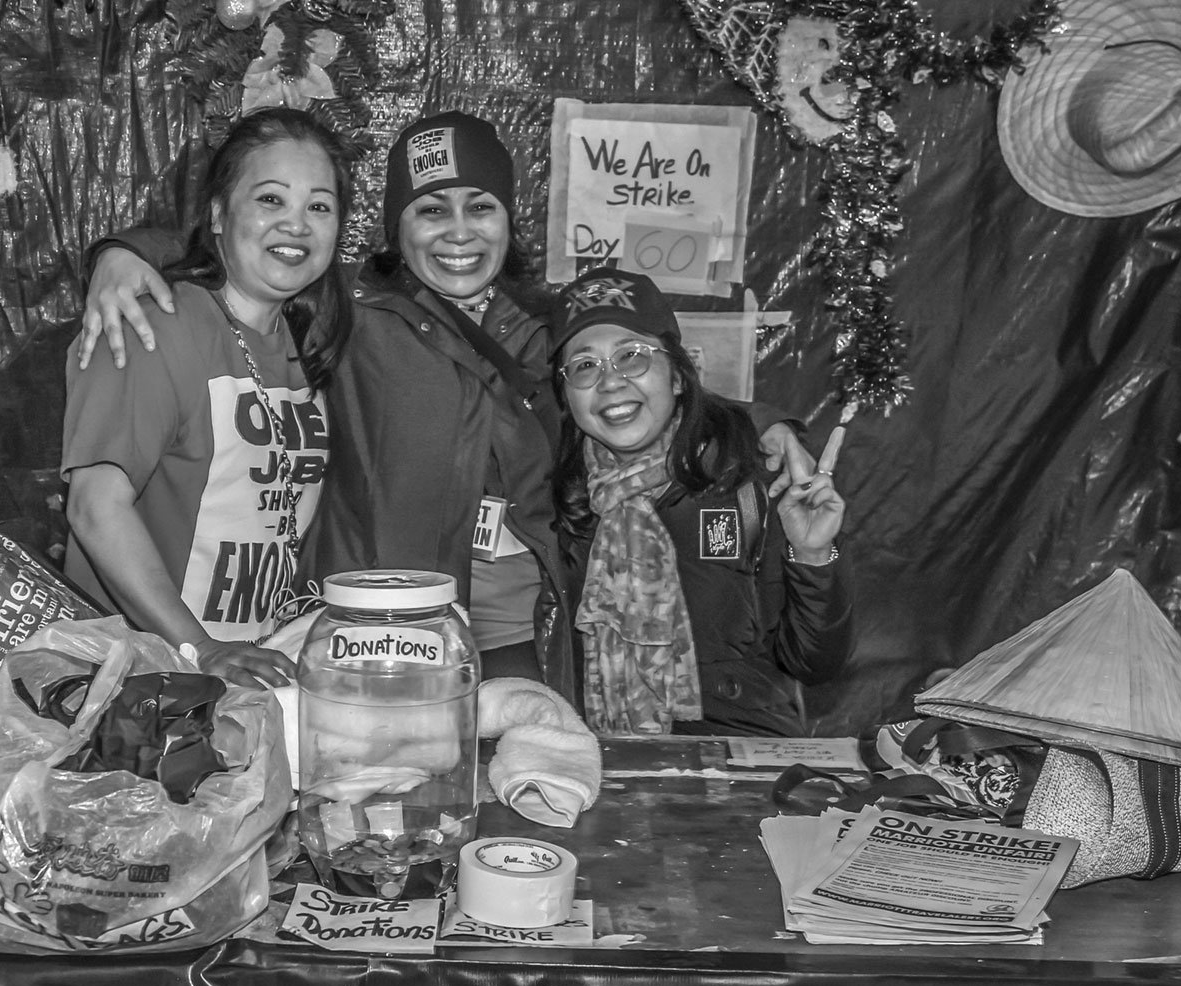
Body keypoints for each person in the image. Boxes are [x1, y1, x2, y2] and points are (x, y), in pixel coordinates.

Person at [78, 111, 816, 691]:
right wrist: (123, 252)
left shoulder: (541, 329)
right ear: (396, 230)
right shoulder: (347, 315)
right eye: (431, 211)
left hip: (525, 634)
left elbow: (643, 384)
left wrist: (770, 424)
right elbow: (253, 244)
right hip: (386, 633)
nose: (459, 233)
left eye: (480, 207)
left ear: (507, 219)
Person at [60, 107, 352, 688]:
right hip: (138, 681)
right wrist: (200, 647)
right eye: (270, 199)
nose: (296, 224)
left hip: (242, 669)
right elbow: (95, 508)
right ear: (219, 215)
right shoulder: (154, 328)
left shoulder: (304, 343)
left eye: (318, 206)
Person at [553, 268, 852, 736]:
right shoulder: (560, 500)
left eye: (632, 356)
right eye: (585, 366)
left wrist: (813, 555)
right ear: (567, 396)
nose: (610, 382)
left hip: (740, 761)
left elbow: (814, 663)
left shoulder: (753, 483)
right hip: (602, 764)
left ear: (676, 377)